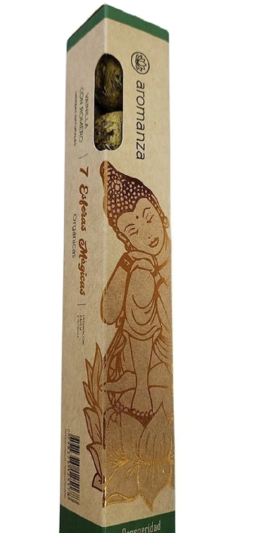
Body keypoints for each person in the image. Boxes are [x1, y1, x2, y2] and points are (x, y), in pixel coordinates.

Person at [99, 161, 173, 417]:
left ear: (159, 210)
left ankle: (142, 382)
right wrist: (127, 262)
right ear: (126, 240)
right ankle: (139, 379)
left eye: (149, 218)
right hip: (134, 352)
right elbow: (108, 315)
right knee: (141, 276)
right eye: (133, 231)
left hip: (167, 349)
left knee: (145, 279)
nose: (147, 234)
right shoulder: (137, 261)